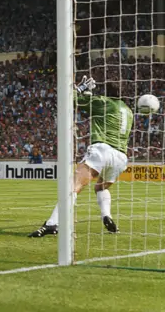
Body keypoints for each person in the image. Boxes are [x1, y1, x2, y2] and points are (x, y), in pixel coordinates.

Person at [29, 76, 131, 237]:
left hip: (102, 150)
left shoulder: (104, 102)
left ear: (106, 92)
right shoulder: (127, 110)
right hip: (121, 157)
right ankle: (107, 216)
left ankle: (52, 224)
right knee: (100, 187)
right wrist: (89, 94)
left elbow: (70, 99)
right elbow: (93, 110)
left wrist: (82, 88)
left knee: (72, 187)